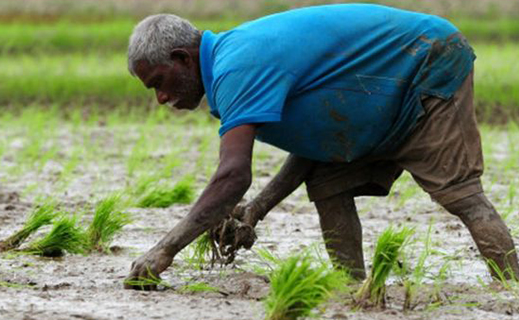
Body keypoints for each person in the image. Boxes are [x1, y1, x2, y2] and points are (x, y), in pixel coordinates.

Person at [124, 4, 519, 289]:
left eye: (158, 82)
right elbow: (316, 146)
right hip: (370, 95)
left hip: (426, 60)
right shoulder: (233, 65)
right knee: (330, 186)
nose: (160, 98)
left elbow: (231, 177)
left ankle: (512, 289)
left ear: (182, 58)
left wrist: (164, 250)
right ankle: (353, 292)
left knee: (462, 194)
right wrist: (257, 209)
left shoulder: (235, 69)